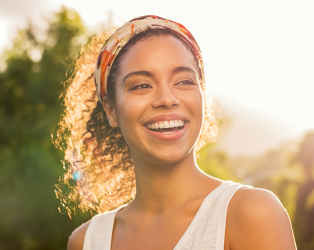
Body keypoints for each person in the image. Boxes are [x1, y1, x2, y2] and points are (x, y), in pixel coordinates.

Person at [57, 15, 297, 250]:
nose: (167, 99)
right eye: (142, 85)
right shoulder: (86, 241)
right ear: (110, 108)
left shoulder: (252, 214)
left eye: (183, 81)